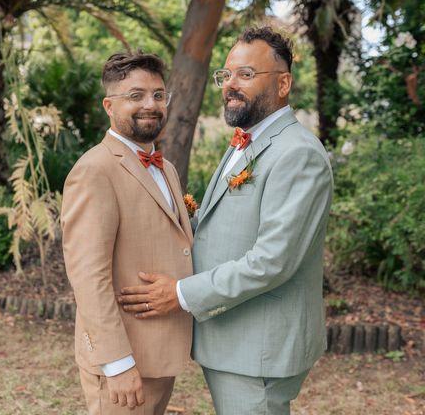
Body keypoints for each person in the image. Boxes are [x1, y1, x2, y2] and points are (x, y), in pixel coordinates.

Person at [118, 27, 333, 415]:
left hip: (259, 349)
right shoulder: (245, 140)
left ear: (283, 83)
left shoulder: (297, 154)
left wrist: (181, 293)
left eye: (246, 75)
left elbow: (273, 261)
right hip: (234, 339)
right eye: (226, 74)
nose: (230, 85)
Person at [61, 50, 194, 414]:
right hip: (125, 361)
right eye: (135, 96)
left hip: (159, 351)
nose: (150, 105)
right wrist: (117, 363)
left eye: (158, 95)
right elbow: (89, 276)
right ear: (109, 105)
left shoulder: (165, 167)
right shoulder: (95, 170)